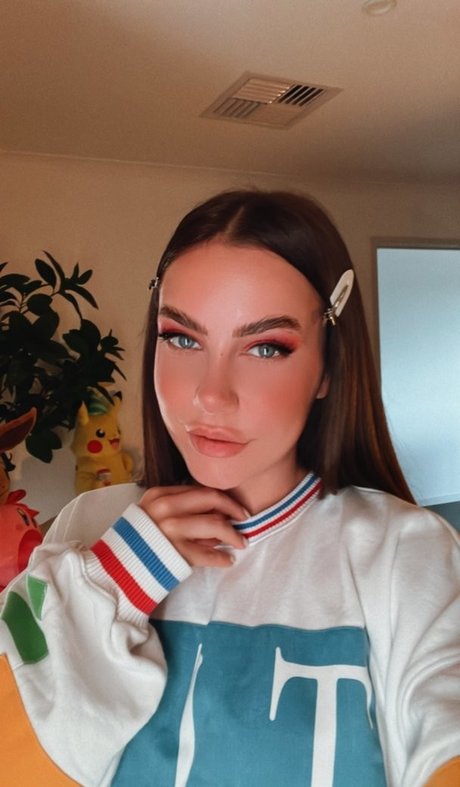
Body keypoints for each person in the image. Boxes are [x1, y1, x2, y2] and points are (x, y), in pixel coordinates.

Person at [0, 190, 459, 787]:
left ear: (328, 368)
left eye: (266, 347)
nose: (211, 394)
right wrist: (115, 579)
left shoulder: (406, 551)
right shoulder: (90, 524)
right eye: (182, 338)